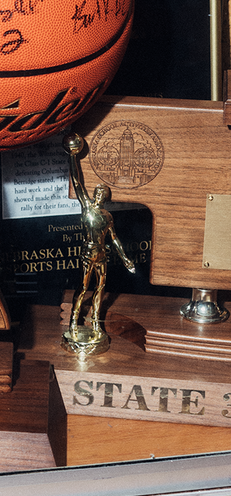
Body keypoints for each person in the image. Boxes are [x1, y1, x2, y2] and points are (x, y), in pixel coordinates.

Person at [64, 132, 136, 350]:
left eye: (101, 194)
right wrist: (72, 157)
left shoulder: (107, 216)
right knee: (83, 287)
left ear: (105, 198)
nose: (98, 196)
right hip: (88, 252)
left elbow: (114, 239)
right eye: (96, 193)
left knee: (100, 288)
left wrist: (126, 261)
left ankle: (95, 321)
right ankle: (74, 320)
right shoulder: (87, 208)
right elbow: (77, 182)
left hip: (102, 255)